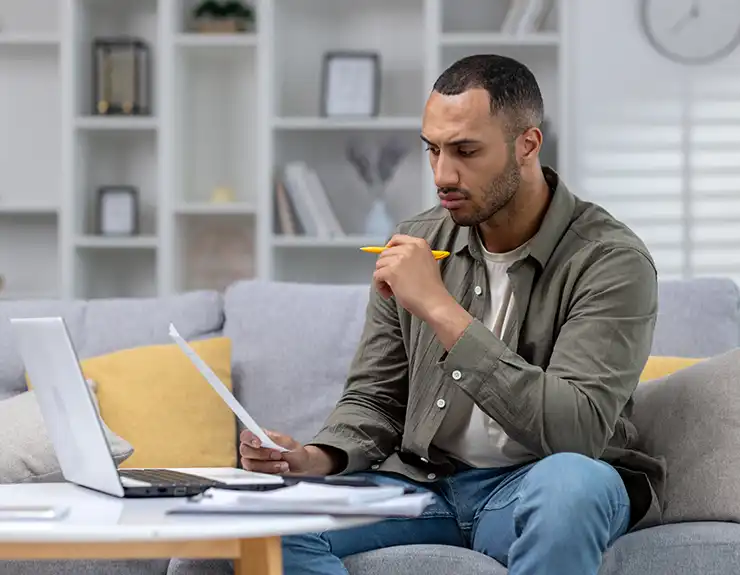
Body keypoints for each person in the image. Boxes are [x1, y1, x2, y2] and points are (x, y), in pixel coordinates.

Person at [240, 54, 666, 575]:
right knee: (267, 521)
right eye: (433, 150)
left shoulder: (610, 260)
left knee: (572, 488)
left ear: (527, 145)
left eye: (465, 151)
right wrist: (315, 458)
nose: (443, 174)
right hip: (425, 484)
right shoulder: (419, 239)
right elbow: (376, 398)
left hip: (538, 483)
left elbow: (577, 431)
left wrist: (439, 307)